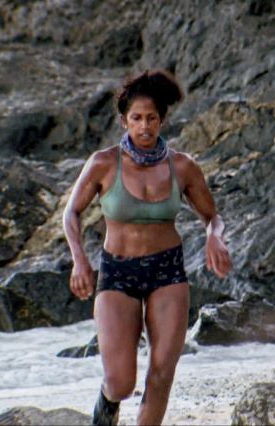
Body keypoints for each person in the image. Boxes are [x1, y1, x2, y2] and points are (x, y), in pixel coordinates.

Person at [62, 69, 232, 425]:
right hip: (117, 272)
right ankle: (106, 408)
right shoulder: (103, 163)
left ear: (161, 120)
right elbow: (71, 213)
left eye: (151, 118)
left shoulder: (182, 167)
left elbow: (212, 217)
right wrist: (80, 260)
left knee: (161, 373)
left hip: (167, 272)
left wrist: (214, 236)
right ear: (124, 121)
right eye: (136, 118)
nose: (144, 126)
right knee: (121, 382)